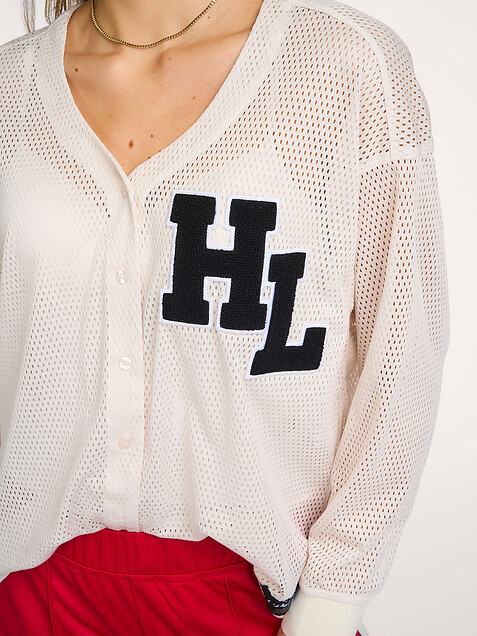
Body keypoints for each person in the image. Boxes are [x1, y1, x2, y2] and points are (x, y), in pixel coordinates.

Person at [0, 0, 450, 634]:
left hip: (257, 595)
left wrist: (336, 593)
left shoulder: (342, 64)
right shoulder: (12, 87)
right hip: (29, 584)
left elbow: (404, 346)